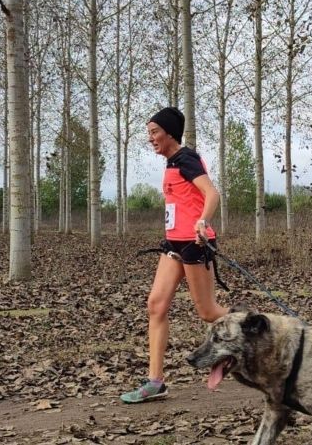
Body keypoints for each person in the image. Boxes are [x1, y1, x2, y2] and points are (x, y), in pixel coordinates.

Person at [120, 107, 229, 404]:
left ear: (170, 133)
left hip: (195, 243)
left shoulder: (186, 159)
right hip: (173, 245)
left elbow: (212, 193)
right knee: (156, 304)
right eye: (149, 133)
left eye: (155, 132)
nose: (151, 138)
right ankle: (156, 382)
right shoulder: (171, 162)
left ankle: (258, 329)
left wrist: (203, 222)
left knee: (207, 312)